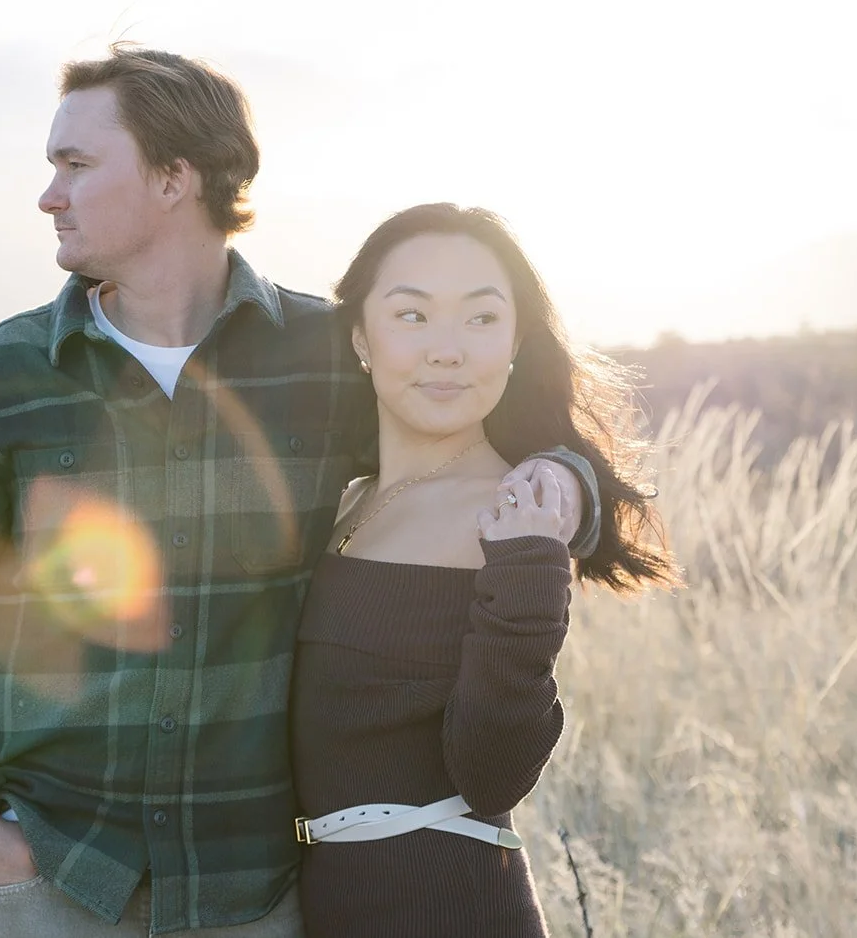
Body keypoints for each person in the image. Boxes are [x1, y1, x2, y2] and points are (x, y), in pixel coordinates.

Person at [0, 47, 603, 937]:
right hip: (56, 879)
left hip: (252, 894)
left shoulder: (323, 357)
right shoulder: (1, 375)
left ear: (173, 177)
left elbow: (478, 422)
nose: (49, 195)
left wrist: (565, 481)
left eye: (77, 164)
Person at [290, 203, 681, 937]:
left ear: (515, 342)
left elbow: (494, 774)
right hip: (329, 907)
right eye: (412, 315)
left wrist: (533, 570)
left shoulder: (510, 514)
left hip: (449, 909)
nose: (447, 350)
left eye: (480, 318)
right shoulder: (345, 502)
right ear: (360, 337)